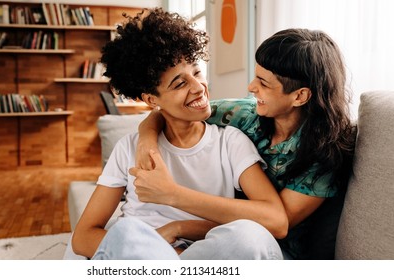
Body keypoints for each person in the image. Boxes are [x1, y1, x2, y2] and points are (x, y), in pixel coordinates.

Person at [70, 8, 288, 260]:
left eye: (196, 72)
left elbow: (276, 221)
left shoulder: (230, 141)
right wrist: (162, 253)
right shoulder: (129, 148)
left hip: (200, 253)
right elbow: (84, 236)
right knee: (127, 231)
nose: (199, 87)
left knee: (249, 236)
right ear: (152, 99)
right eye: (180, 83)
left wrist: (173, 198)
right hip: (139, 255)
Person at [136, 28, 356, 259]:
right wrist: (146, 142)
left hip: (270, 249)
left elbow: (274, 225)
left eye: (263, 83)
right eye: (255, 76)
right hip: (219, 235)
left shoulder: (325, 153)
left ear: (299, 96)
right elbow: (170, 111)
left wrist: (178, 218)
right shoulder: (243, 113)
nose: (251, 87)